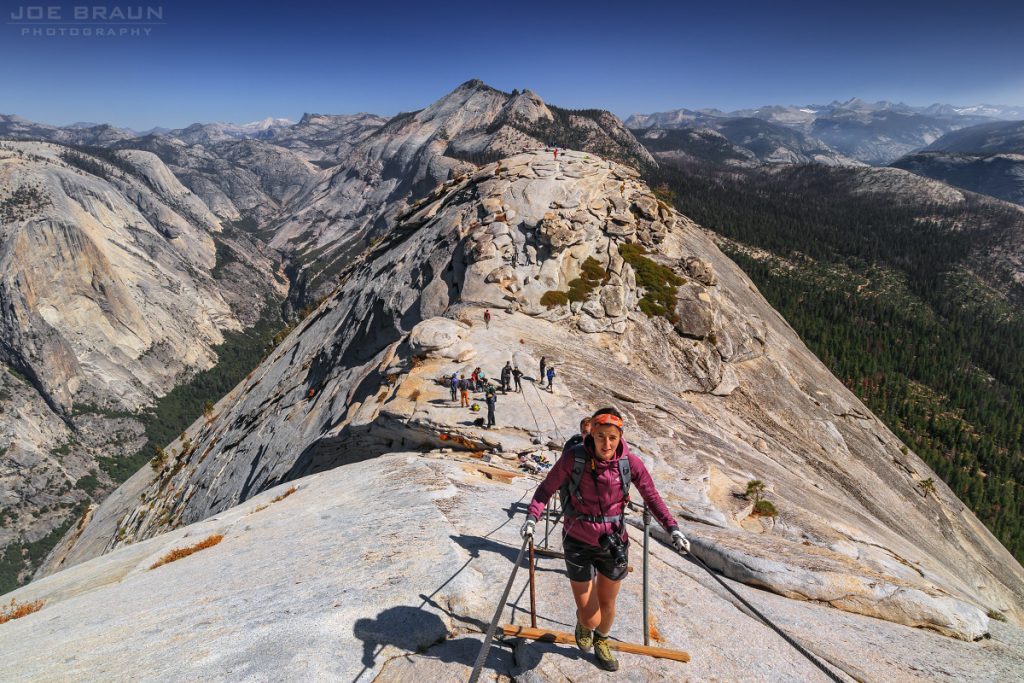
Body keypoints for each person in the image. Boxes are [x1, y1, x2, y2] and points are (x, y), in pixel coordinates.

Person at [520, 408, 689, 672]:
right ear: (592, 435)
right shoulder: (573, 458)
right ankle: (585, 624)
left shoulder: (629, 463)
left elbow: (652, 497)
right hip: (577, 539)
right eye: (600, 436)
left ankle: (602, 640)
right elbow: (545, 489)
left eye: (612, 437)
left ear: (620, 436)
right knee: (590, 615)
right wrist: (532, 518)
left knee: (608, 604)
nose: (606, 444)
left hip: (614, 542)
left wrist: (672, 528)